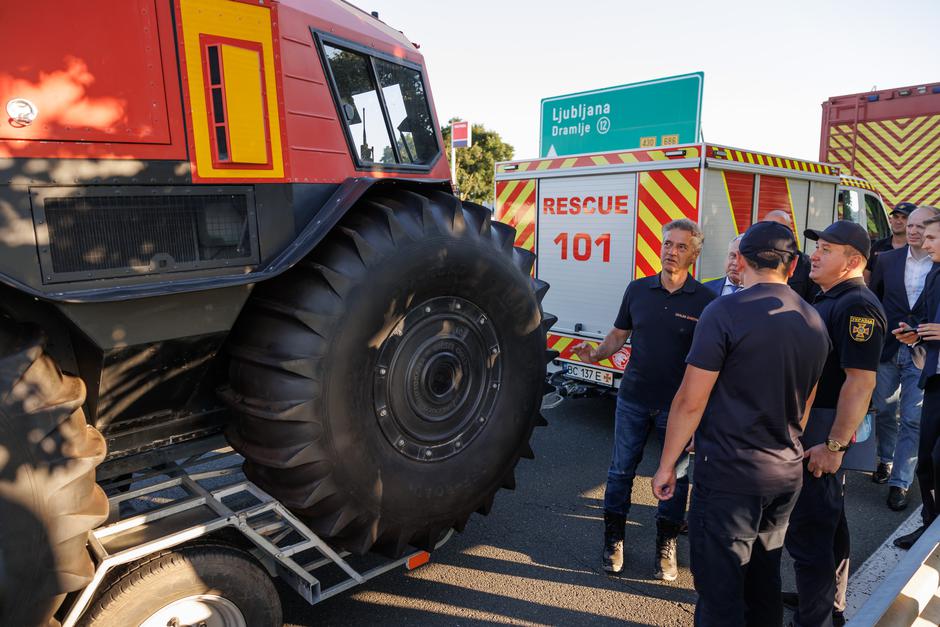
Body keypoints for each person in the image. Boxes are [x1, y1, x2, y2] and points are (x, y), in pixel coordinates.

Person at [652, 221, 831, 626]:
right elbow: (806, 404)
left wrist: (667, 464)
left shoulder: (725, 311)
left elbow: (690, 400)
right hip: (785, 474)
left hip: (730, 477)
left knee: (720, 592)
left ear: (743, 260)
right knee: (763, 581)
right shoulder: (813, 319)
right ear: (794, 264)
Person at [573, 218, 715, 580]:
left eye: (681, 246)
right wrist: (597, 355)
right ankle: (613, 541)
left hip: (678, 408)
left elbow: (712, 365)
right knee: (620, 472)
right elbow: (619, 335)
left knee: (676, 479)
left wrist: (704, 416)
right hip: (633, 398)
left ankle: (666, 547)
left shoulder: (707, 302)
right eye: (668, 244)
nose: (672, 251)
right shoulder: (637, 290)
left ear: (694, 254)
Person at [784, 220, 886, 627]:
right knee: (828, 522)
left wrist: (835, 446)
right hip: (817, 426)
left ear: (853, 261)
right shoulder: (830, 297)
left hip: (824, 431)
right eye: (817, 247)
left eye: (827, 249)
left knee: (811, 528)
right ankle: (828, 604)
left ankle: (815, 618)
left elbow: (860, 382)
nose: (815, 254)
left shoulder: (857, 305)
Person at [869, 207, 940, 510]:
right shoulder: (886, 260)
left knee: (912, 417)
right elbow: (873, 300)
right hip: (887, 347)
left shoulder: (937, 265)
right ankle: (886, 459)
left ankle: (901, 481)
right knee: (884, 410)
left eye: (920, 226)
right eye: (909, 225)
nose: (913, 231)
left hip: (922, 350)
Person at [894, 208, 940, 549]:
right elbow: (929, 321)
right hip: (935, 378)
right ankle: (929, 524)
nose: (925, 243)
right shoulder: (935, 275)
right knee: (925, 460)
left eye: (932, 237)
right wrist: (917, 335)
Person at [763, 210, 819, 302]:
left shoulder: (807, 265)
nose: (770, 233)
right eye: (766, 228)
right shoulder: (752, 257)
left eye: (778, 229)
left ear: (791, 233)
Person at [866, 202, 916, 281]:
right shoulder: (877, 246)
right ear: (891, 219)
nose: (898, 221)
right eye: (896, 217)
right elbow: (866, 276)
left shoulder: (916, 249)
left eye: (904, 217)